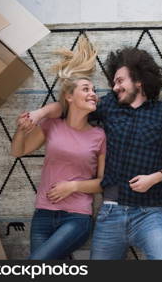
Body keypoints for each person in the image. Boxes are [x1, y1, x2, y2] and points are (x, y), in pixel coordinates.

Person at [26, 47, 162, 260]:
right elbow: (68, 107)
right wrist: (40, 113)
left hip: (150, 214)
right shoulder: (109, 105)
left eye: (120, 81)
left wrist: (155, 178)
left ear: (138, 81)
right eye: (113, 82)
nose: (115, 87)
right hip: (110, 213)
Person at [10, 37, 106, 260]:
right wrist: (21, 128)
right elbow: (18, 151)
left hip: (77, 218)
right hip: (43, 215)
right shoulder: (52, 125)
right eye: (86, 89)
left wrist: (72, 186)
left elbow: (103, 183)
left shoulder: (99, 135)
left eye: (93, 89)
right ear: (69, 97)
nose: (93, 93)